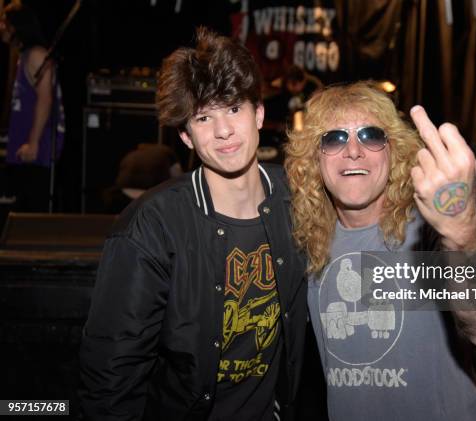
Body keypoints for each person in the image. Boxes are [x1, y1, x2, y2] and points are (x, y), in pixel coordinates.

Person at [79, 27, 307, 420]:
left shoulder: (299, 200)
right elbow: (112, 374)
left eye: (234, 108)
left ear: (260, 114)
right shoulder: (153, 225)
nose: (223, 131)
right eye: (204, 117)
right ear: (186, 136)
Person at [285, 82, 476, 420]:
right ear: (314, 159)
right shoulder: (307, 240)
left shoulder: (426, 229)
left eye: (371, 136)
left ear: (395, 151)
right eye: (335, 138)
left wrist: (461, 233)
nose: (354, 151)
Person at [0, 2, 65, 211]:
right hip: (24, 146)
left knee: (30, 210)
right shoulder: (25, 55)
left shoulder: (36, 55)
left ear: (16, 26)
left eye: (4, 22)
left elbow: (45, 99)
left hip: (35, 149)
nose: (1, 27)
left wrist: (34, 143)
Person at [102, 143, 182, 214]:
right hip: (148, 187)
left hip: (124, 188)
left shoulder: (132, 154)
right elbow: (177, 178)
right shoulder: (167, 152)